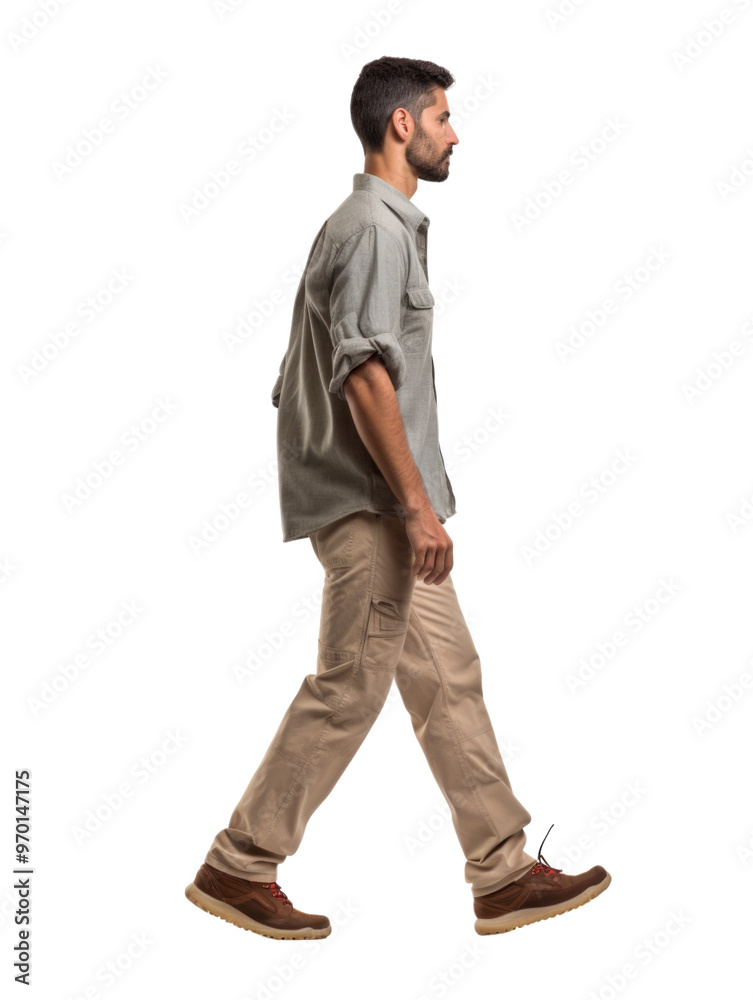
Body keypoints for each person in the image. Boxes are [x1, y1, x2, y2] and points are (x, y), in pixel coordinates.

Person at [185, 55, 611, 940]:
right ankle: (240, 864)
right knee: (349, 686)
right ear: (402, 127)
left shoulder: (369, 225)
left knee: (446, 678)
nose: (456, 132)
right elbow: (364, 378)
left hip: (378, 499)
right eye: (444, 116)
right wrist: (414, 507)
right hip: (372, 505)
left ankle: (499, 871)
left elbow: (307, 373)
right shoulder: (372, 228)